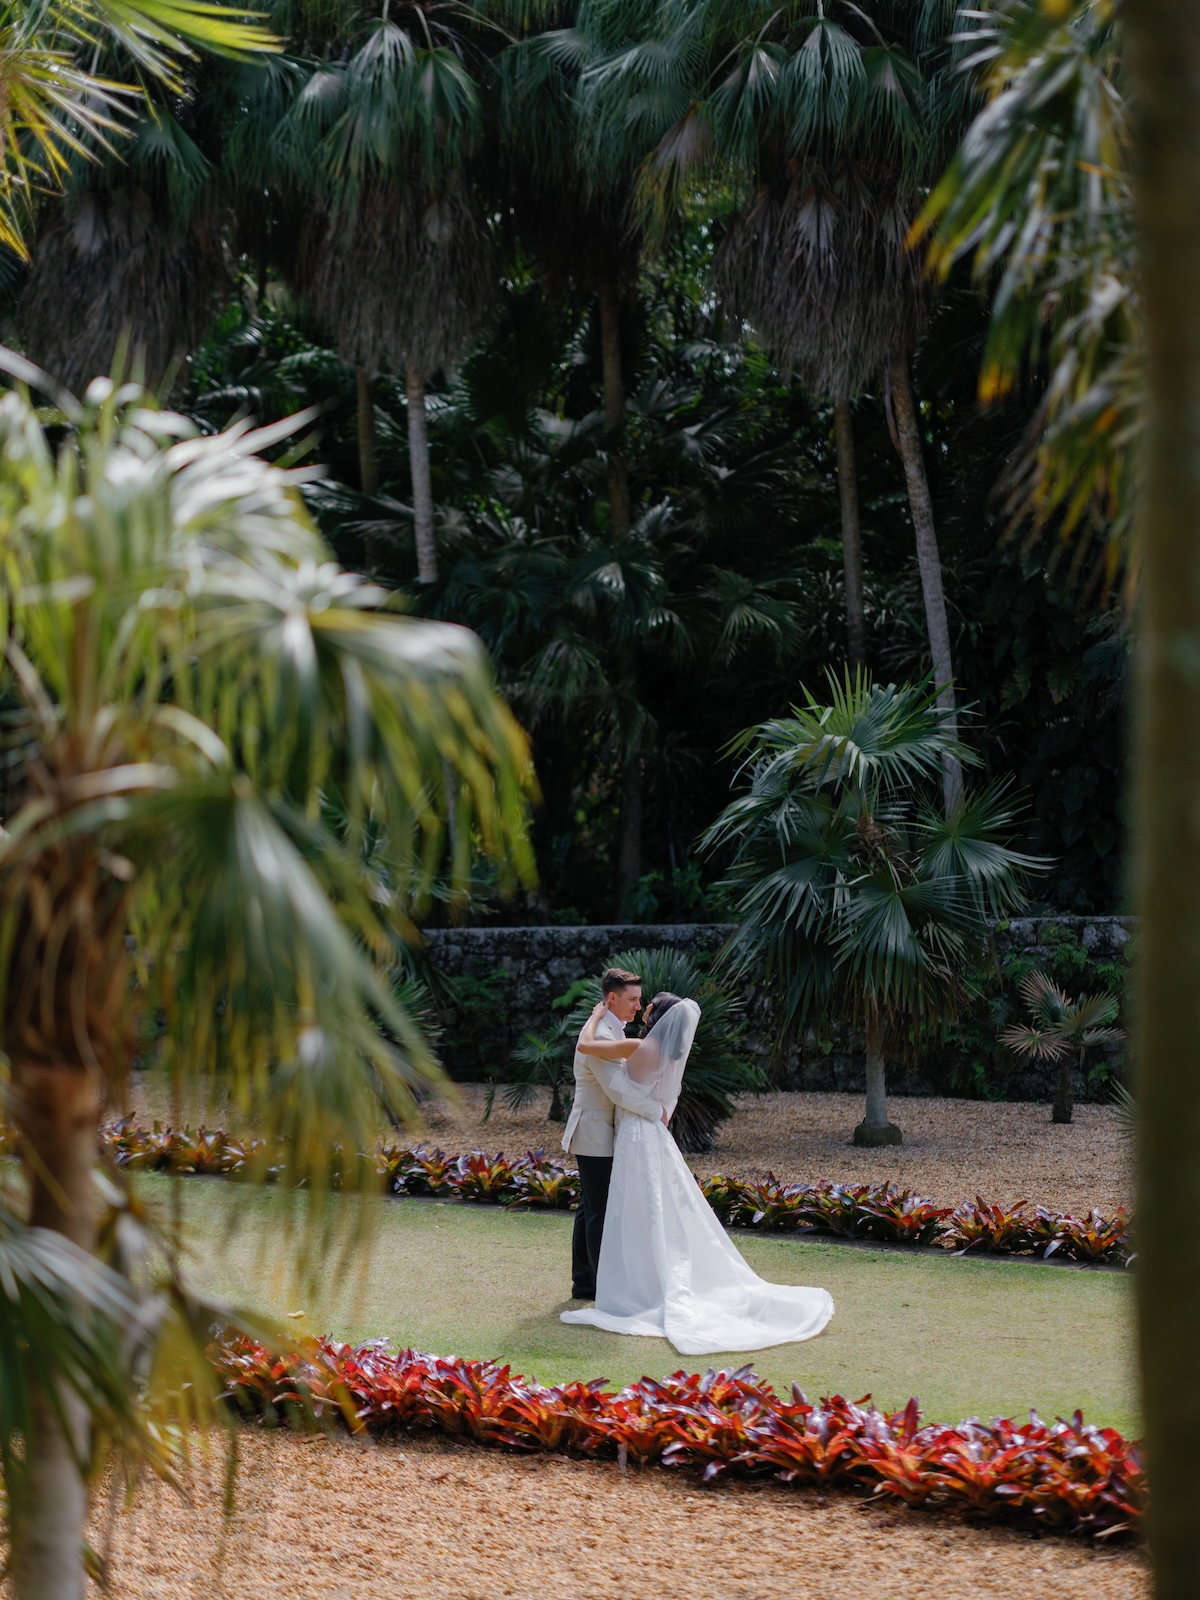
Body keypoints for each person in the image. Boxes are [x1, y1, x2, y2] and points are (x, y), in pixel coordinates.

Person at [561, 992, 834, 1355]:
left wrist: (595, 1016)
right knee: (652, 1206)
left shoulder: (640, 1048)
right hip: (650, 1131)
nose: (643, 1009)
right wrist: (659, 1111)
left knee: (635, 1206)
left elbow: (605, 1070)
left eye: (649, 1005)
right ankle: (627, 1275)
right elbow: (658, 1096)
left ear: (659, 1017)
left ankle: (629, 1282)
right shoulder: (667, 1052)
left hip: (636, 1130)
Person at [561, 967, 667, 1301]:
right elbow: (617, 1089)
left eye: (639, 999)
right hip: (594, 1131)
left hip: (601, 1130)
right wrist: (655, 1111)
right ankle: (600, 1286)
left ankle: (584, 1282)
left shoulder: (609, 1029)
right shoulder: (602, 1037)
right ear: (612, 998)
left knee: (589, 1206)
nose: (638, 1005)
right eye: (632, 999)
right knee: (599, 1209)